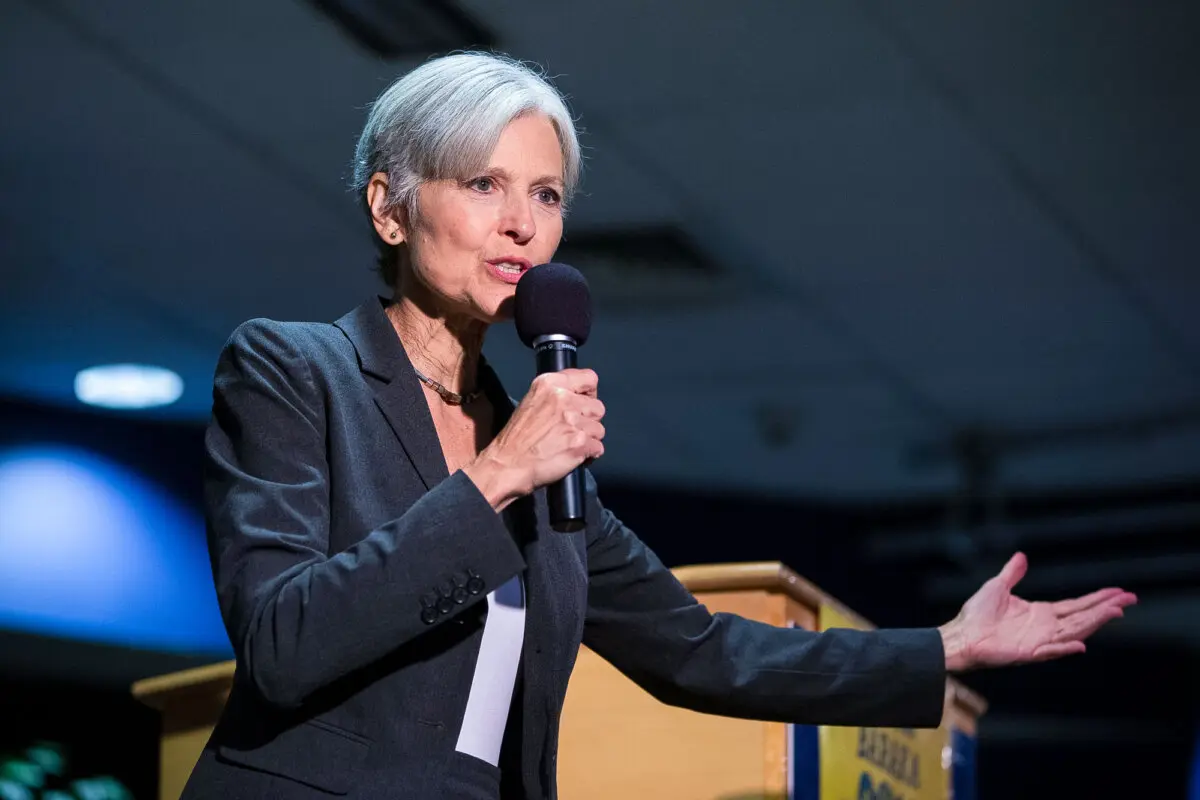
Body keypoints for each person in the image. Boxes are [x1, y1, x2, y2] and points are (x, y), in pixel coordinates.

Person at [179, 52, 1136, 800]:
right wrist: (496, 476)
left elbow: (703, 650)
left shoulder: (534, 447)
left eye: (546, 196)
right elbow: (282, 639)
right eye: (483, 184)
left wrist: (943, 648)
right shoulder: (293, 369)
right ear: (390, 209)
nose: (522, 225)